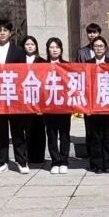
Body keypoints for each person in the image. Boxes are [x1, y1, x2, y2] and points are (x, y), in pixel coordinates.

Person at [0, 19, 29, 175]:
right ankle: (1, 162)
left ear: (10, 33)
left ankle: (21, 161)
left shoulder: (19, 51)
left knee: (17, 130)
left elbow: (23, 74)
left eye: (5, 30)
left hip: (14, 96)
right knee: (0, 130)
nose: (2, 33)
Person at [84, 37, 109, 173]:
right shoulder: (87, 64)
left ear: (106, 48)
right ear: (92, 48)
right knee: (94, 136)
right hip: (92, 105)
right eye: (96, 46)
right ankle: (96, 164)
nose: (98, 48)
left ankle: (108, 163)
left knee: (107, 135)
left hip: (107, 104)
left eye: (101, 46)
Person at [42, 38, 72, 174]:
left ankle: (64, 161)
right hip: (48, 106)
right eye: (51, 47)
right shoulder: (42, 66)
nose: (54, 50)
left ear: (61, 49)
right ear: (48, 50)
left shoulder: (67, 65)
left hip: (64, 106)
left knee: (64, 134)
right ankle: (55, 161)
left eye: (57, 47)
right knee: (51, 134)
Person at [21, 36, 47, 166]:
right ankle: (28, 155)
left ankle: (39, 156)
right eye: (27, 44)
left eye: (32, 44)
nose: (30, 46)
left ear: (36, 46)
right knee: (27, 127)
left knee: (39, 127)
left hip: (38, 98)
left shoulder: (42, 61)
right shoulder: (19, 61)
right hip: (23, 98)